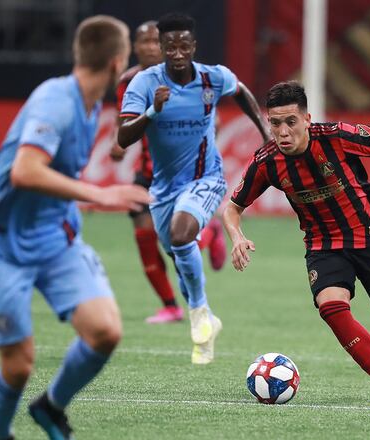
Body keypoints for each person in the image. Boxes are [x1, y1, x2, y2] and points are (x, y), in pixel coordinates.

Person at [0, 15, 149, 440]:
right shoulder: (55, 100)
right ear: (116, 62)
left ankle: (50, 407)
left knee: (105, 331)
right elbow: (25, 172)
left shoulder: (90, 106)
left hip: (56, 239)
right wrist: (99, 193)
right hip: (2, 244)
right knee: (18, 365)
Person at [223, 81, 370, 407]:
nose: (283, 131)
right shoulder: (267, 162)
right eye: (275, 123)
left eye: (290, 122)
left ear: (307, 119)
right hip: (322, 244)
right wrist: (237, 236)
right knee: (331, 308)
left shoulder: (336, 136)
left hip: (369, 234)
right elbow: (233, 208)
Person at [117, 12, 269, 364]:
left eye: (184, 45)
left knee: (183, 233)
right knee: (180, 259)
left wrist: (265, 134)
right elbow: (124, 137)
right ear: (162, 47)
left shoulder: (211, 78)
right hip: (163, 188)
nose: (177, 52)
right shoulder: (144, 83)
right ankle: (206, 320)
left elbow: (241, 91)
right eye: (169, 45)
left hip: (206, 178)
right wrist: (153, 111)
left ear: (193, 47)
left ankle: (199, 312)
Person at [110, 21, 227, 324]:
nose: (150, 48)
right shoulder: (131, 80)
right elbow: (122, 122)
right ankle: (170, 304)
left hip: (188, 174)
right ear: (135, 48)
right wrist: (118, 142)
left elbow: (210, 107)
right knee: (146, 235)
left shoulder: (195, 78)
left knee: (179, 241)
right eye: (144, 42)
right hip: (149, 171)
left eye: (153, 42)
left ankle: (206, 236)